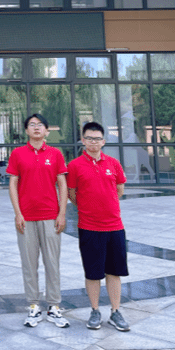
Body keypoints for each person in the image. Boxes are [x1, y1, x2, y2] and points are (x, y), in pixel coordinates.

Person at [7, 113, 69, 328]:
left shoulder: (55, 154)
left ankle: (54, 306)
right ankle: (33, 305)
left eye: (40, 125)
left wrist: (62, 213)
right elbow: (13, 184)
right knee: (29, 264)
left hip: (51, 216)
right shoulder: (17, 154)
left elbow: (62, 184)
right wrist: (18, 213)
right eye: (32, 125)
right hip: (26, 218)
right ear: (26, 130)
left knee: (52, 263)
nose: (36, 128)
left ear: (46, 131)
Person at [67, 121, 130, 332]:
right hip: (89, 227)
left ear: (103, 141)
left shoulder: (113, 163)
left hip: (114, 226)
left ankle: (115, 311)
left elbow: (119, 189)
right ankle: (95, 310)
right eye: (89, 138)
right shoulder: (74, 166)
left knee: (114, 272)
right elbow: (72, 194)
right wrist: (89, 207)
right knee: (93, 273)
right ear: (83, 141)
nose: (93, 142)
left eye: (97, 139)